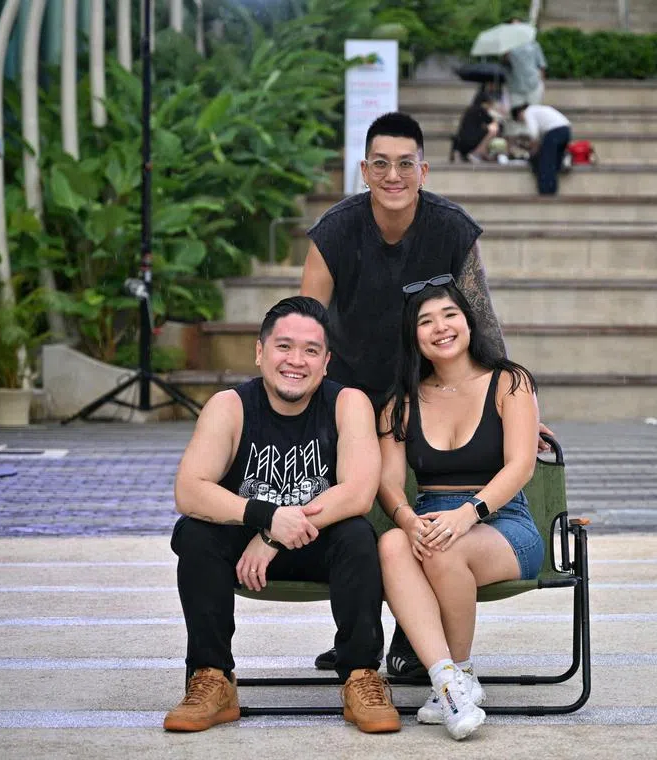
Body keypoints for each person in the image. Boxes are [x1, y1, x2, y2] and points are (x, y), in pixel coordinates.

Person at [300, 110, 517, 679]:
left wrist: (503, 399)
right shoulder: (335, 231)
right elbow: (307, 322)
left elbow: (481, 319)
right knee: (355, 505)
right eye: (380, 164)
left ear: (423, 170)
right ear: (364, 170)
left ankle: (410, 638)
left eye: (405, 164)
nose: (392, 175)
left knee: (418, 504)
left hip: (422, 388)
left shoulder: (451, 227)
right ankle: (357, 633)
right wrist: (306, 401)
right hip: (345, 388)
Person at [164, 296, 400, 734]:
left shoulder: (348, 403)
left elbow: (359, 493)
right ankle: (212, 678)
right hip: (242, 550)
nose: (297, 361)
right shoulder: (229, 406)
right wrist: (266, 517)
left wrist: (273, 534)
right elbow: (190, 490)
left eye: (311, 351)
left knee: (356, 535)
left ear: (327, 362)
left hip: (318, 543)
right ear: (260, 352)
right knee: (193, 534)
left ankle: (360, 675)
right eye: (284, 347)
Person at [376, 274, 544, 740]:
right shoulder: (402, 402)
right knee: (391, 543)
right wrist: (408, 520)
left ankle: (462, 671)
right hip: (430, 520)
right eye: (426, 321)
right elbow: (389, 484)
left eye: (450, 314)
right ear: (415, 338)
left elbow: (520, 466)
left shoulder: (510, 382)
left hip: (503, 523)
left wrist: (467, 513)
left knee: (445, 547)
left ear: (468, 321)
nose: (441, 327)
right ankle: (447, 681)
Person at [511, 103, 572, 196]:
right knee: (554, 162)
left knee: (546, 163)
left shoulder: (528, 112)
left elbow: (534, 134)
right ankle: (562, 163)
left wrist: (532, 151)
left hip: (554, 131)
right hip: (566, 130)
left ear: (519, 113)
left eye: (520, 120)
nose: (523, 121)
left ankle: (546, 191)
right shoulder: (538, 109)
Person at [503, 17, 547, 108]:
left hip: (533, 83)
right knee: (516, 113)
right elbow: (505, 65)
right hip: (515, 86)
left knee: (533, 110)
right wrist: (506, 55)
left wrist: (541, 82)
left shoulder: (533, 44)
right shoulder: (506, 45)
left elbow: (541, 64)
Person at [451, 91, 501, 163]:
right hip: (471, 142)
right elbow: (493, 123)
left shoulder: (469, 109)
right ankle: (477, 153)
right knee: (493, 131)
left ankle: (480, 153)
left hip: (460, 142)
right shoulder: (481, 110)